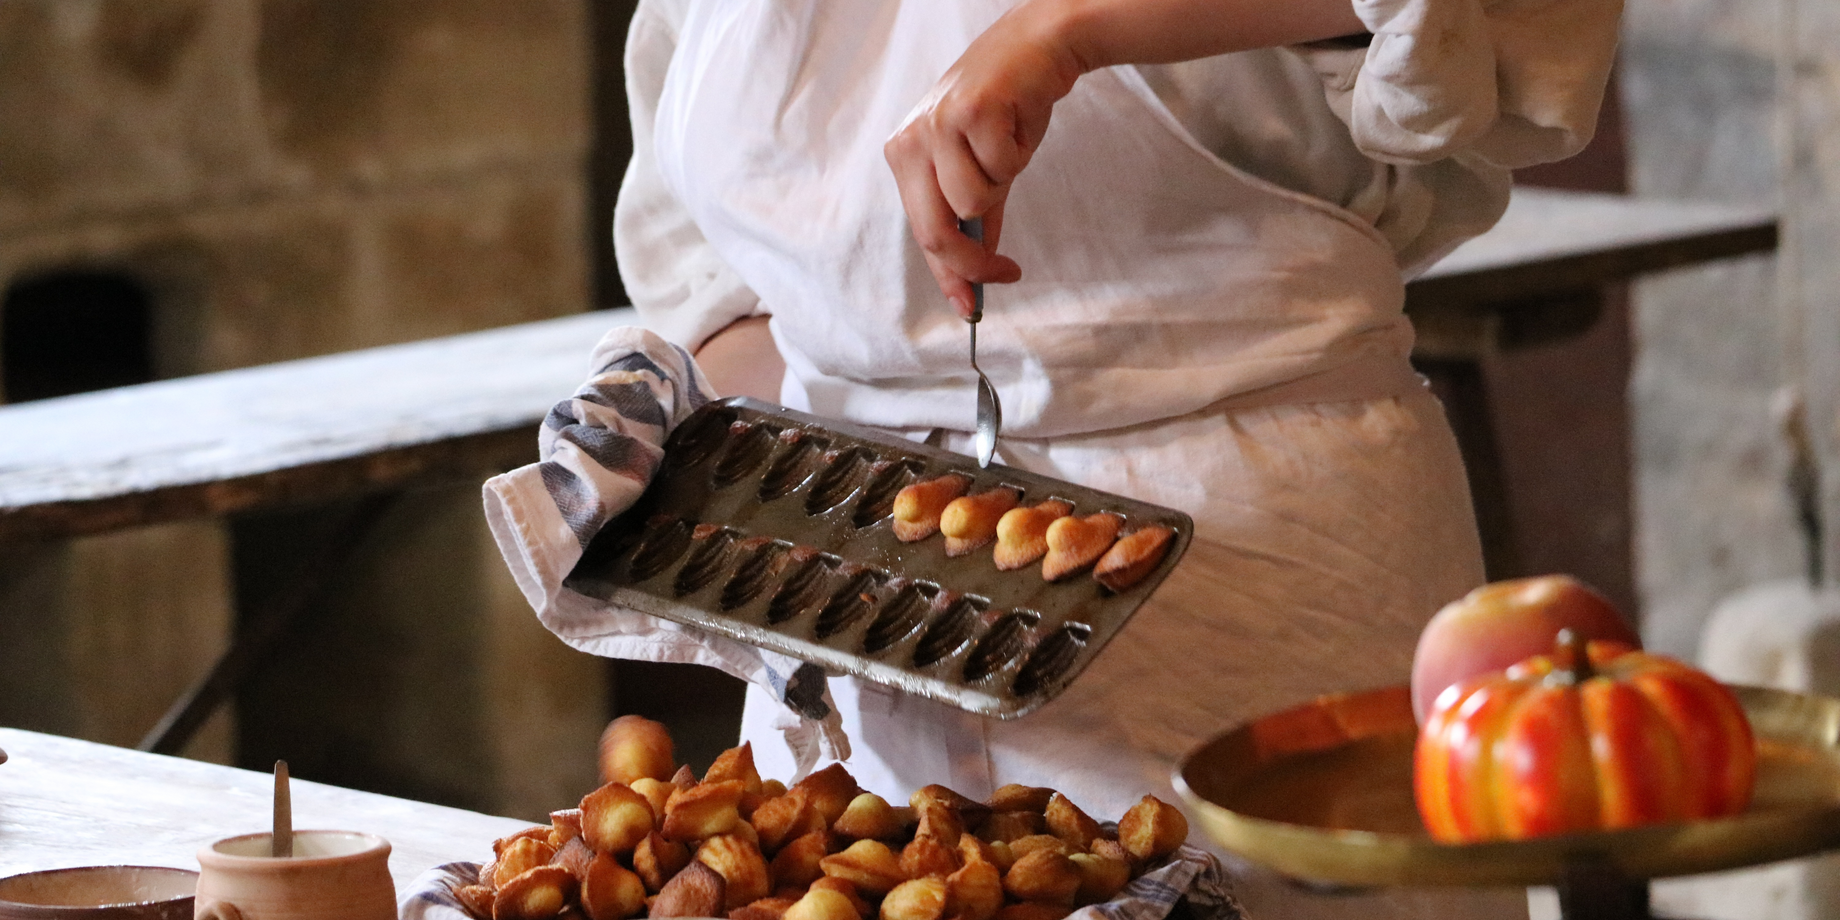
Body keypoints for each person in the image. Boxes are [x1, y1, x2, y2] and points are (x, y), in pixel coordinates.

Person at [495, 0, 1622, 916]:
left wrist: (1076, 26)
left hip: (1246, 579)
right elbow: (712, 265)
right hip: (867, 610)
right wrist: (725, 451)